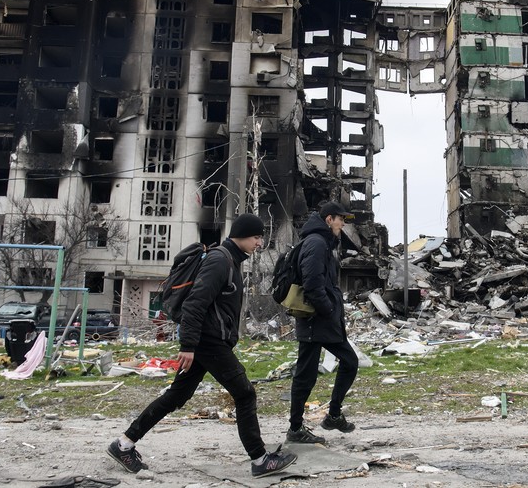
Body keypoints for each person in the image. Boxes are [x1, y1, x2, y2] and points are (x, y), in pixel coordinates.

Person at [107, 214, 297, 478]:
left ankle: (123, 444)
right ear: (241, 235)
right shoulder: (221, 260)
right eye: (256, 237)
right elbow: (195, 303)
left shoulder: (231, 260)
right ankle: (260, 459)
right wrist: (188, 345)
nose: (259, 242)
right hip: (208, 342)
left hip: (206, 342)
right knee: (244, 393)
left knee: (177, 395)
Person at [285, 201, 359, 444]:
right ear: (329, 220)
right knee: (308, 373)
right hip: (316, 319)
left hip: (320, 319)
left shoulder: (322, 243)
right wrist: (328, 310)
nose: (343, 224)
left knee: (343, 362)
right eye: (341, 219)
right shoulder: (317, 243)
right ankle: (298, 428)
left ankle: (332, 416)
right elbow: (313, 283)